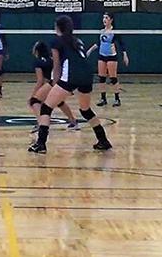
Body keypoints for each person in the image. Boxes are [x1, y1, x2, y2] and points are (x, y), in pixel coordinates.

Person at [29, 15, 112, 155]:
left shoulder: (56, 42)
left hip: (71, 75)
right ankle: (103, 140)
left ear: (57, 27)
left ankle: (41, 144)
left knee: (46, 108)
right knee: (85, 110)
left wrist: (55, 84)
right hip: (87, 74)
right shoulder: (77, 41)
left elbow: (57, 66)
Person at [28, 41, 79, 131]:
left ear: (36, 51)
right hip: (60, 81)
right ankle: (73, 122)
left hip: (52, 82)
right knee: (59, 102)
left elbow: (40, 80)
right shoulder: (52, 58)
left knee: (34, 101)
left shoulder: (38, 61)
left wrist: (33, 93)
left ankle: (41, 124)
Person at [86, 12, 129, 108]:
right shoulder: (102, 31)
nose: (104, 20)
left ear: (111, 20)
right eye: (103, 18)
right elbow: (98, 43)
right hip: (102, 55)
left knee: (113, 78)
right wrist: (89, 50)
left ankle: (117, 99)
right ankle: (103, 98)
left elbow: (122, 44)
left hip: (111, 56)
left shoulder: (114, 32)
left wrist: (125, 55)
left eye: (106, 18)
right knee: (101, 77)